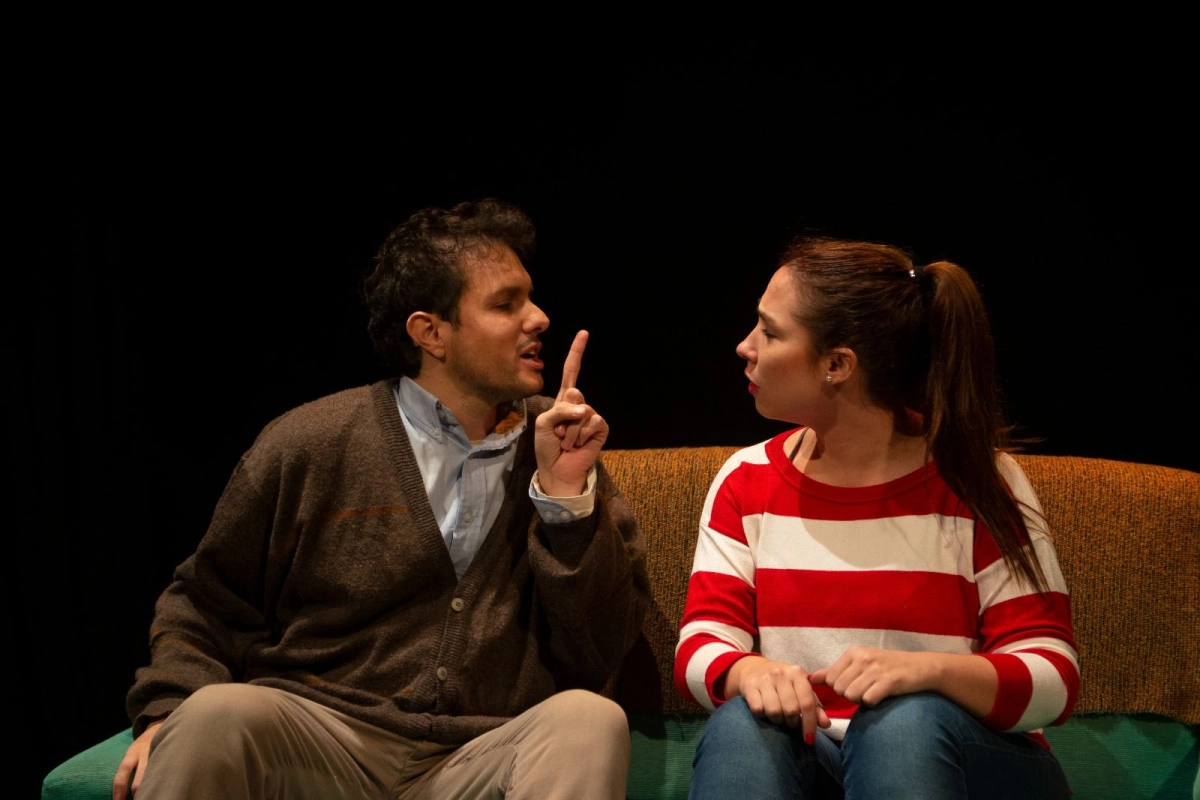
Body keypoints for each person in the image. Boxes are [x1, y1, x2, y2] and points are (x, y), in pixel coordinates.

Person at [114, 198, 651, 800]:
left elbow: (604, 646)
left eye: (531, 298)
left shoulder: (558, 443)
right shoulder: (311, 442)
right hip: (322, 742)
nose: (539, 318)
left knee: (589, 720)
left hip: (482, 751)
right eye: (506, 304)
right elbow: (205, 601)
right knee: (215, 714)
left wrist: (564, 500)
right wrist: (167, 712)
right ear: (431, 333)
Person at [673, 236, 1079, 799]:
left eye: (769, 331)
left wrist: (928, 673)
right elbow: (703, 642)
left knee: (901, 725)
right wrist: (748, 672)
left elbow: (1053, 676)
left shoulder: (978, 480)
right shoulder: (747, 480)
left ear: (837, 365)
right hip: (818, 757)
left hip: (964, 763)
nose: (745, 346)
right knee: (743, 724)